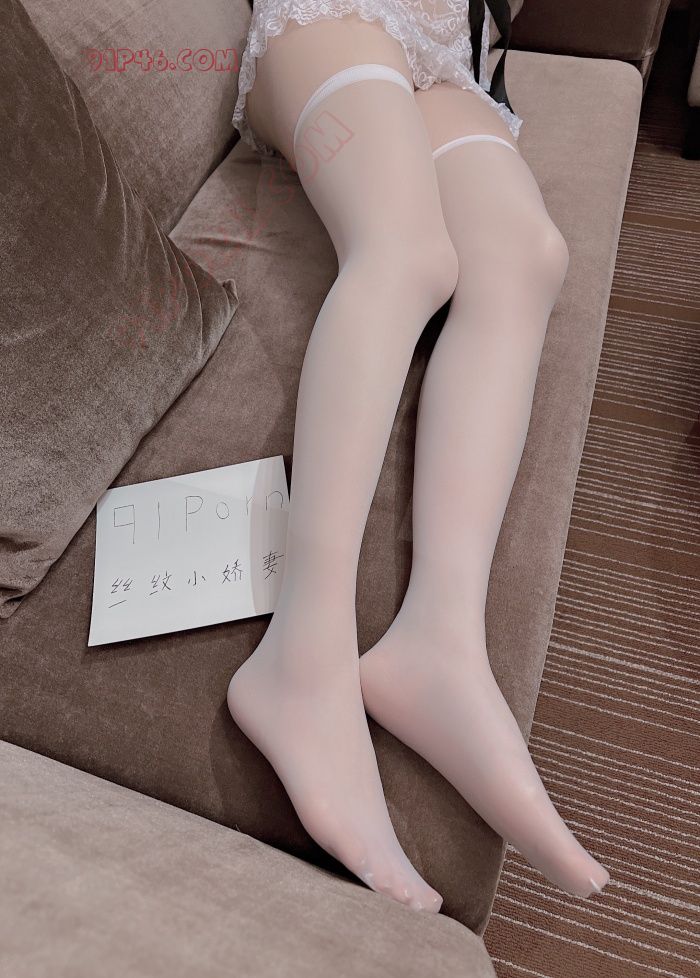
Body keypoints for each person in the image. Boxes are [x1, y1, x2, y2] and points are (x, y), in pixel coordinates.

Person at [227, 0, 612, 914]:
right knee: (408, 253)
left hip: (448, 47)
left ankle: (440, 640)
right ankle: (300, 660)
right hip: (333, 13)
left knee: (526, 254)